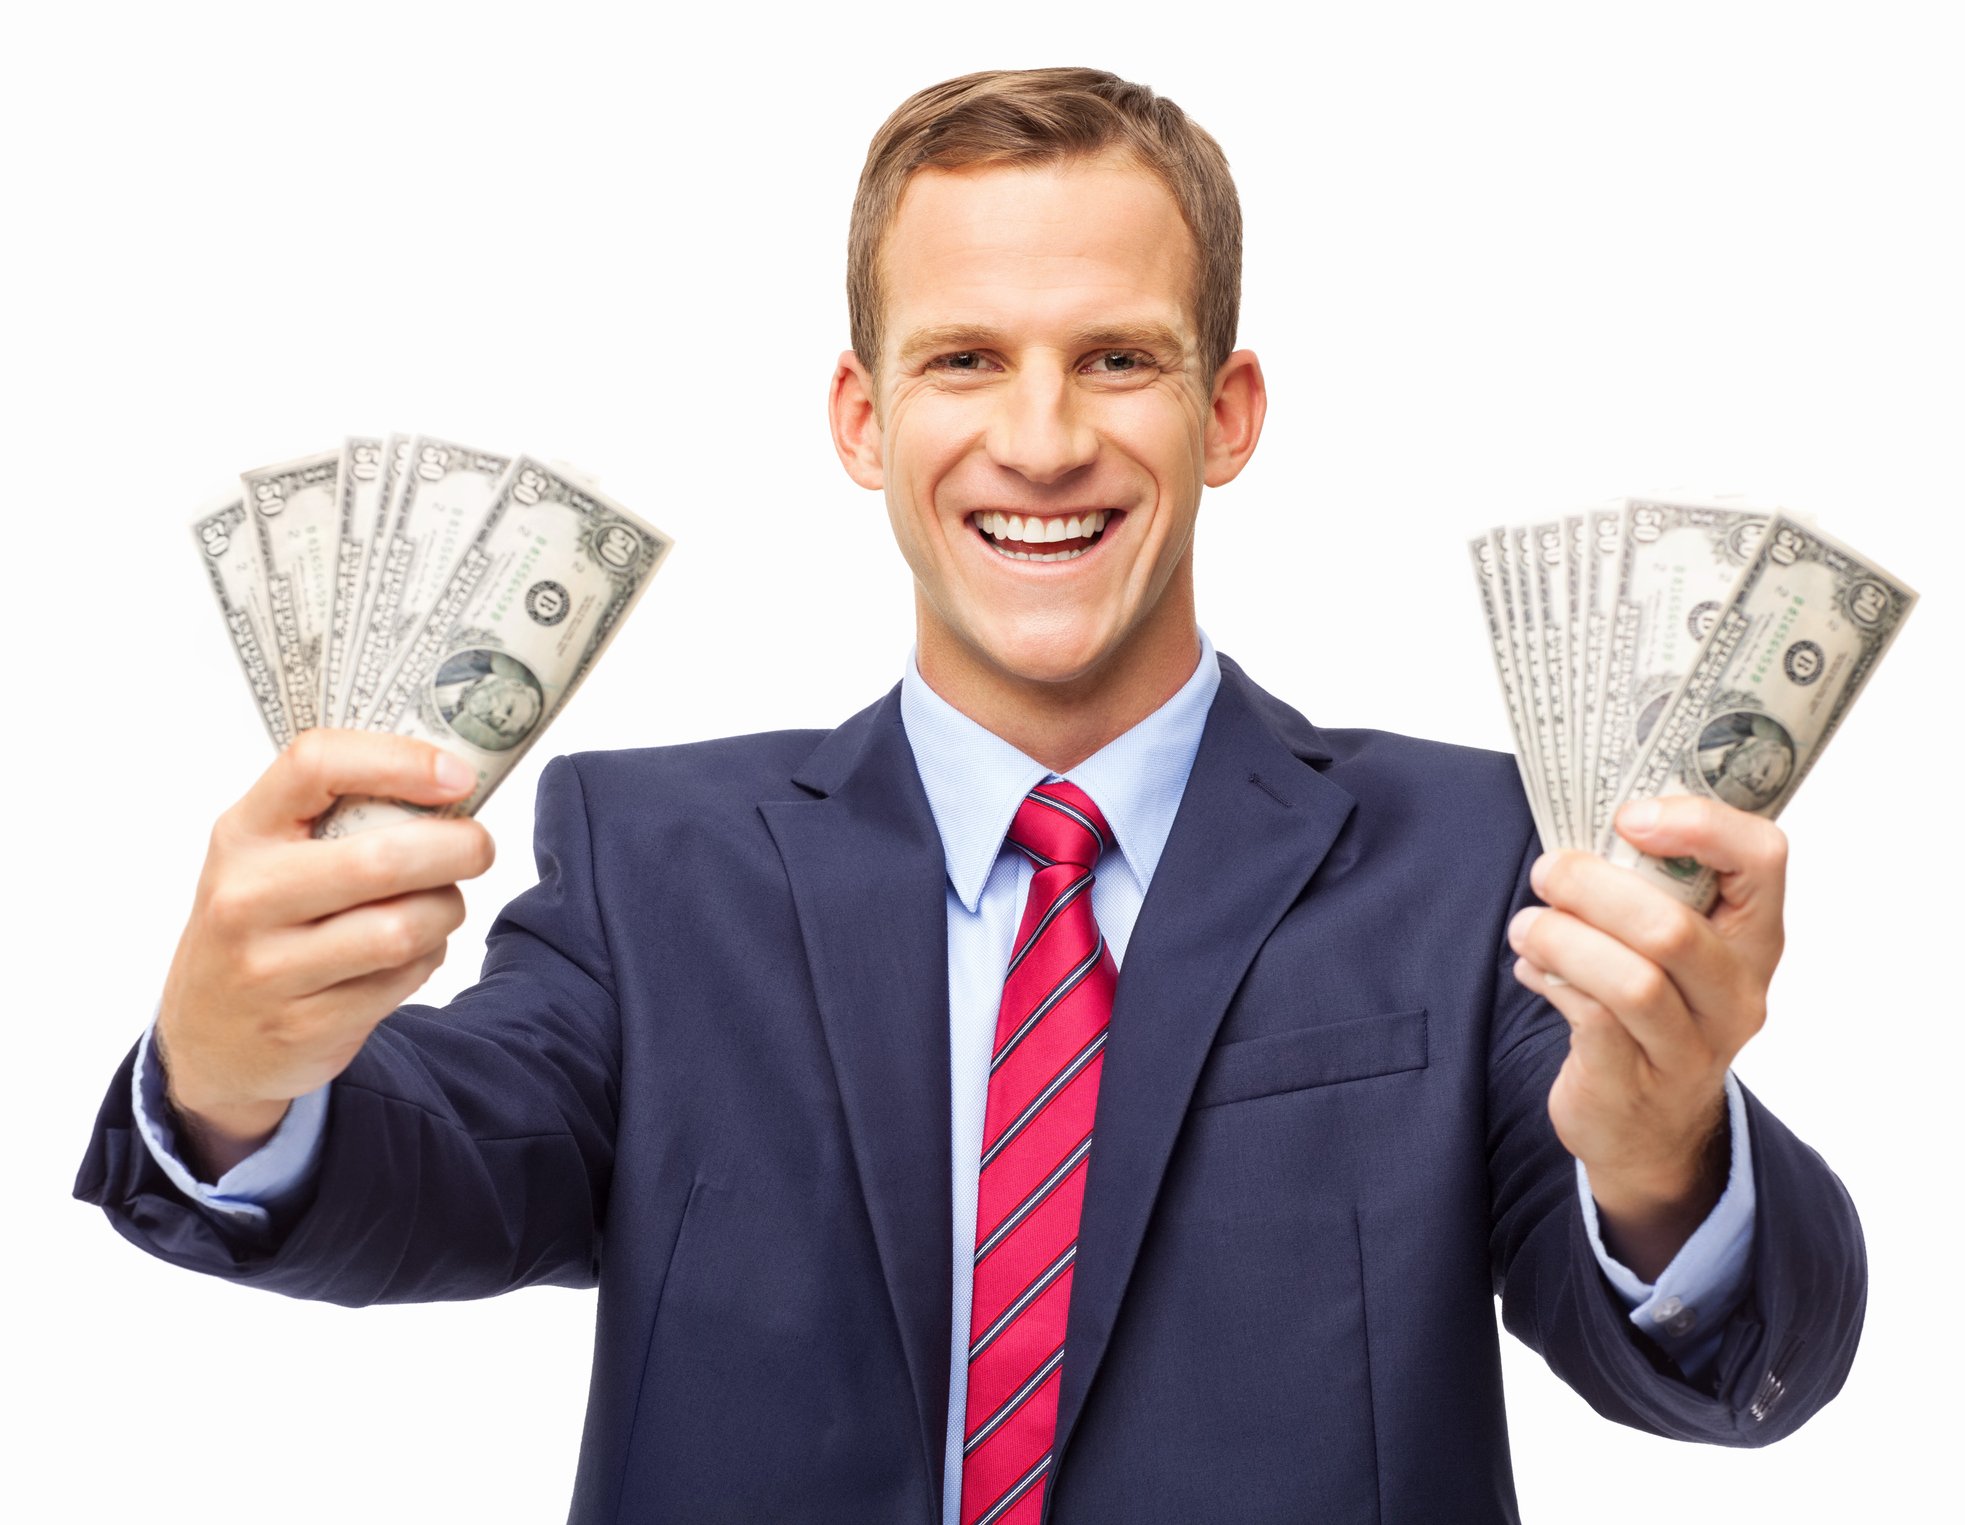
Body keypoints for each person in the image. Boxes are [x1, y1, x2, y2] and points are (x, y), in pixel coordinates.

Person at [77, 67, 1864, 1524]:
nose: (1038, 437)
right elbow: (446, 1167)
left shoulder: (1474, 855)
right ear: (861, 421)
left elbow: (1721, 1372)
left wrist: (1662, 1149)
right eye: (962, 359)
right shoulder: (655, 860)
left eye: (1116, 356)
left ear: (1226, 410)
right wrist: (233, 1081)